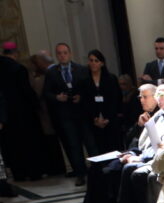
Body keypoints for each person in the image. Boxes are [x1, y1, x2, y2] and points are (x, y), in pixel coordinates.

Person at [44, 42, 94, 186]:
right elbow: (47, 93)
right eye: (59, 53)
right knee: (73, 145)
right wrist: (57, 97)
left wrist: (81, 97)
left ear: (70, 54)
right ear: (56, 55)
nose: (62, 55)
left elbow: (88, 89)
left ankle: (97, 171)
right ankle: (80, 173)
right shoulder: (52, 72)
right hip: (65, 114)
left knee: (90, 143)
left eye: (65, 52)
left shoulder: (82, 69)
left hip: (82, 113)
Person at [0, 43, 45, 183]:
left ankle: (18, 174)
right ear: (15, 53)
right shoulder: (18, 68)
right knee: (29, 143)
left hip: (6, 114)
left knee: (12, 145)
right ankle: (33, 173)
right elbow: (26, 91)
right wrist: (37, 105)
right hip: (24, 113)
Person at [83, 50, 122, 153]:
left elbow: (115, 99)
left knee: (113, 147)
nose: (93, 63)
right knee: (98, 148)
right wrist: (95, 119)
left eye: (96, 60)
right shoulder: (85, 81)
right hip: (94, 121)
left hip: (110, 119)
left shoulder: (111, 78)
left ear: (102, 63)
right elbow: (86, 102)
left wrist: (108, 118)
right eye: (91, 60)